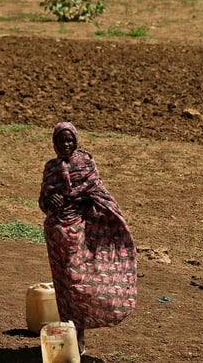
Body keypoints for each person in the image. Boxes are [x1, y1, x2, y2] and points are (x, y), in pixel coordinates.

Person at [38, 122, 137, 356]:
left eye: (69, 140)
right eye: (61, 141)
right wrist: (51, 200)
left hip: (81, 232)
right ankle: (72, 335)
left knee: (77, 281)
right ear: (54, 143)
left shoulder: (85, 164)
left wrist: (81, 201)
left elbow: (100, 195)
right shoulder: (50, 168)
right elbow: (43, 201)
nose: (66, 145)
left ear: (76, 141)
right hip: (56, 235)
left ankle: (79, 333)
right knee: (64, 286)